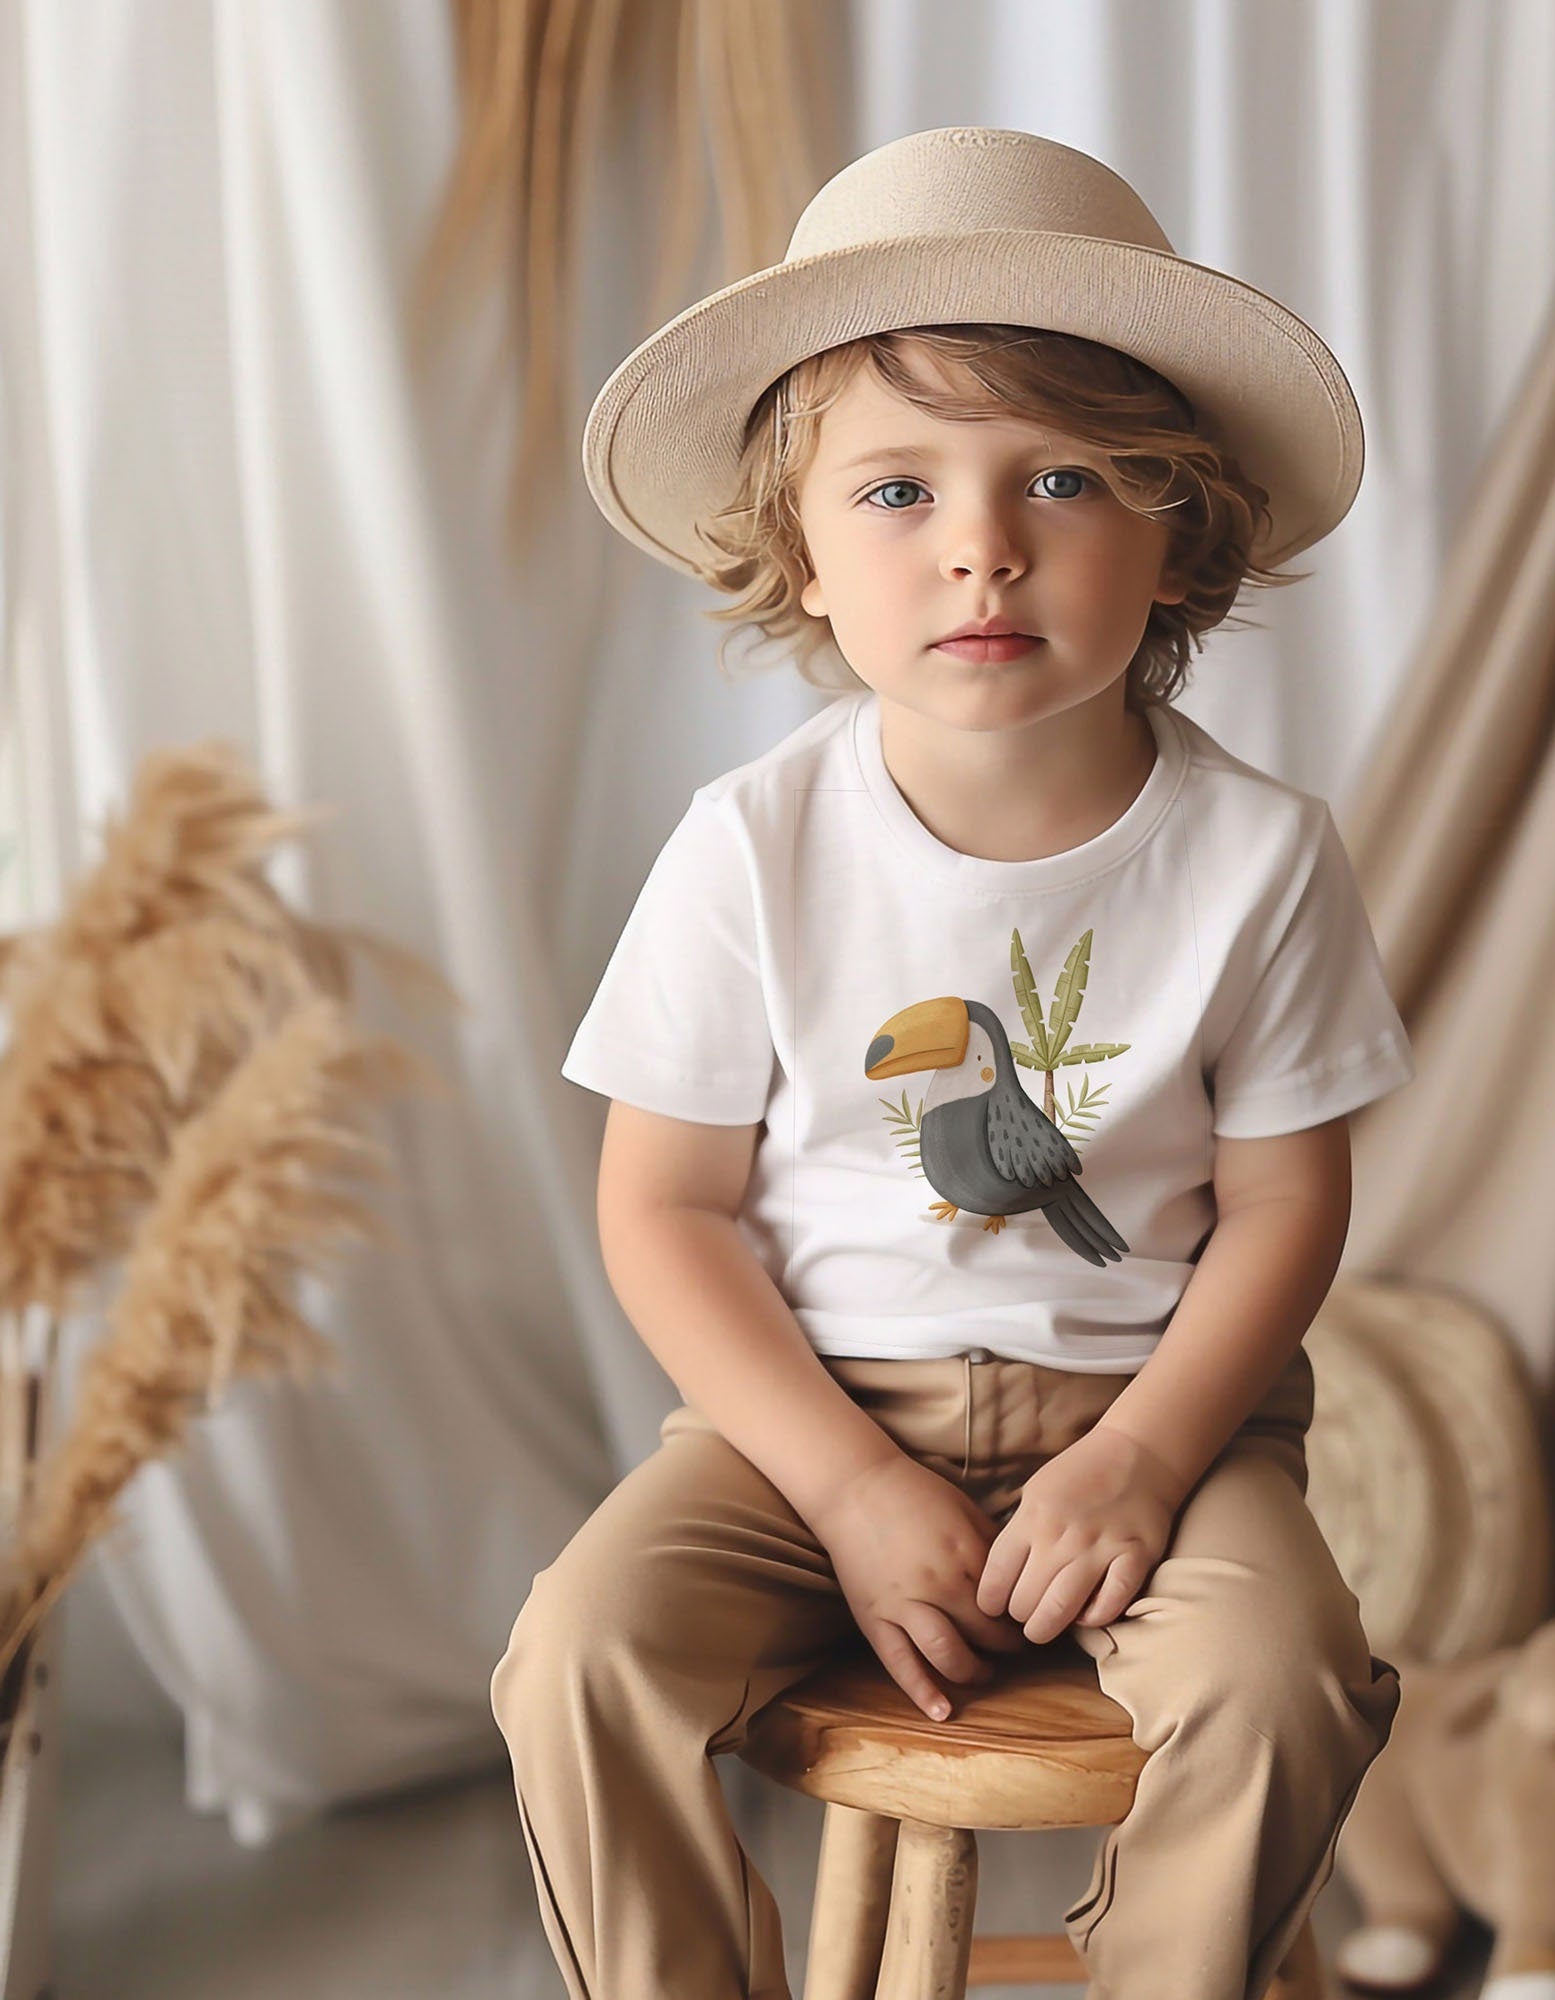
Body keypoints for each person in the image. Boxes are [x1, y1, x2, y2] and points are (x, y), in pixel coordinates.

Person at [492, 125, 1416, 2000]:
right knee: (577, 1653)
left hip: (1160, 1417)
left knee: (1281, 1675)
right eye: (899, 490)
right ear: (804, 558)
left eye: (1064, 478)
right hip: (809, 1416)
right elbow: (663, 1208)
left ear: (1176, 539)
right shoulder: (747, 846)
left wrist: (1149, 1462)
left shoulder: (1262, 856)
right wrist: (839, 1484)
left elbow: (1286, 1204)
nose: (984, 542)